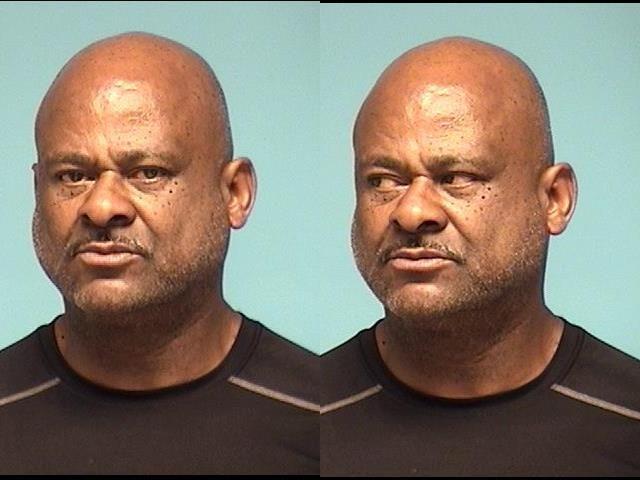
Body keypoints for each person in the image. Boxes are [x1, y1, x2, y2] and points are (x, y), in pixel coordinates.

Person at [0, 32, 318, 474]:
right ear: (37, 190)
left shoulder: (319, 422)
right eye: (73, 176)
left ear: (234, 193)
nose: (101, 207)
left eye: (148, 173)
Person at [321, 36, 640, 476]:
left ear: (554, 199)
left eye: (456, 177)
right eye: (383, 180)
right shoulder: (306, 417)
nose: (411, 213)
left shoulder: (627, 423)